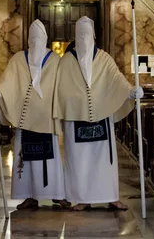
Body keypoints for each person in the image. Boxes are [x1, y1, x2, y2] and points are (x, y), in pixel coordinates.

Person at [53, 16, 142, 211]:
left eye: (87, 34)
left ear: (93, 35)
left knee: (104, 160)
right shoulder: (67, 60)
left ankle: (111, 196)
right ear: (76, 36)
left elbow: (116, 78)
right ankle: (83, 198)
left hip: (101, 115)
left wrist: (130, 91)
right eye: (80, 34)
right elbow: (59, 87)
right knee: (79, 160)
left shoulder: (103, 57)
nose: (84, 38)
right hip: (75, 118)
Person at [0, 20, 68, 210]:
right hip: (25, 119)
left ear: (46, 39)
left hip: (47, 118)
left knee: (50, 159)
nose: (35, 41)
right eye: (32, 38)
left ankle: (56, 194)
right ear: (28, 40)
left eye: (39, 37)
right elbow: (8, 82)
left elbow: (62, 86)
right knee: (26, 159)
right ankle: (29, 195)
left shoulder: (55, 60)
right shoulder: (18, 59)